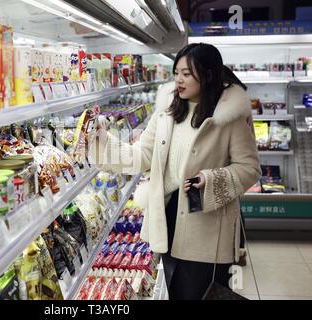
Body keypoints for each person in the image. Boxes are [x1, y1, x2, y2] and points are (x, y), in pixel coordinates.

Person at [91, 43, 261, 300]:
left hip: (206, 226)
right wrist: (101, 141)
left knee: (202, 292)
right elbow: (142, 155)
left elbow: (249, 168)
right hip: (168, 219)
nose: (179, 80)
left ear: (208, 75)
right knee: (178, 291)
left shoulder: (230, 117)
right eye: (176, 73)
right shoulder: (168, 112)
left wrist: (210, 180)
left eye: (187, 74)